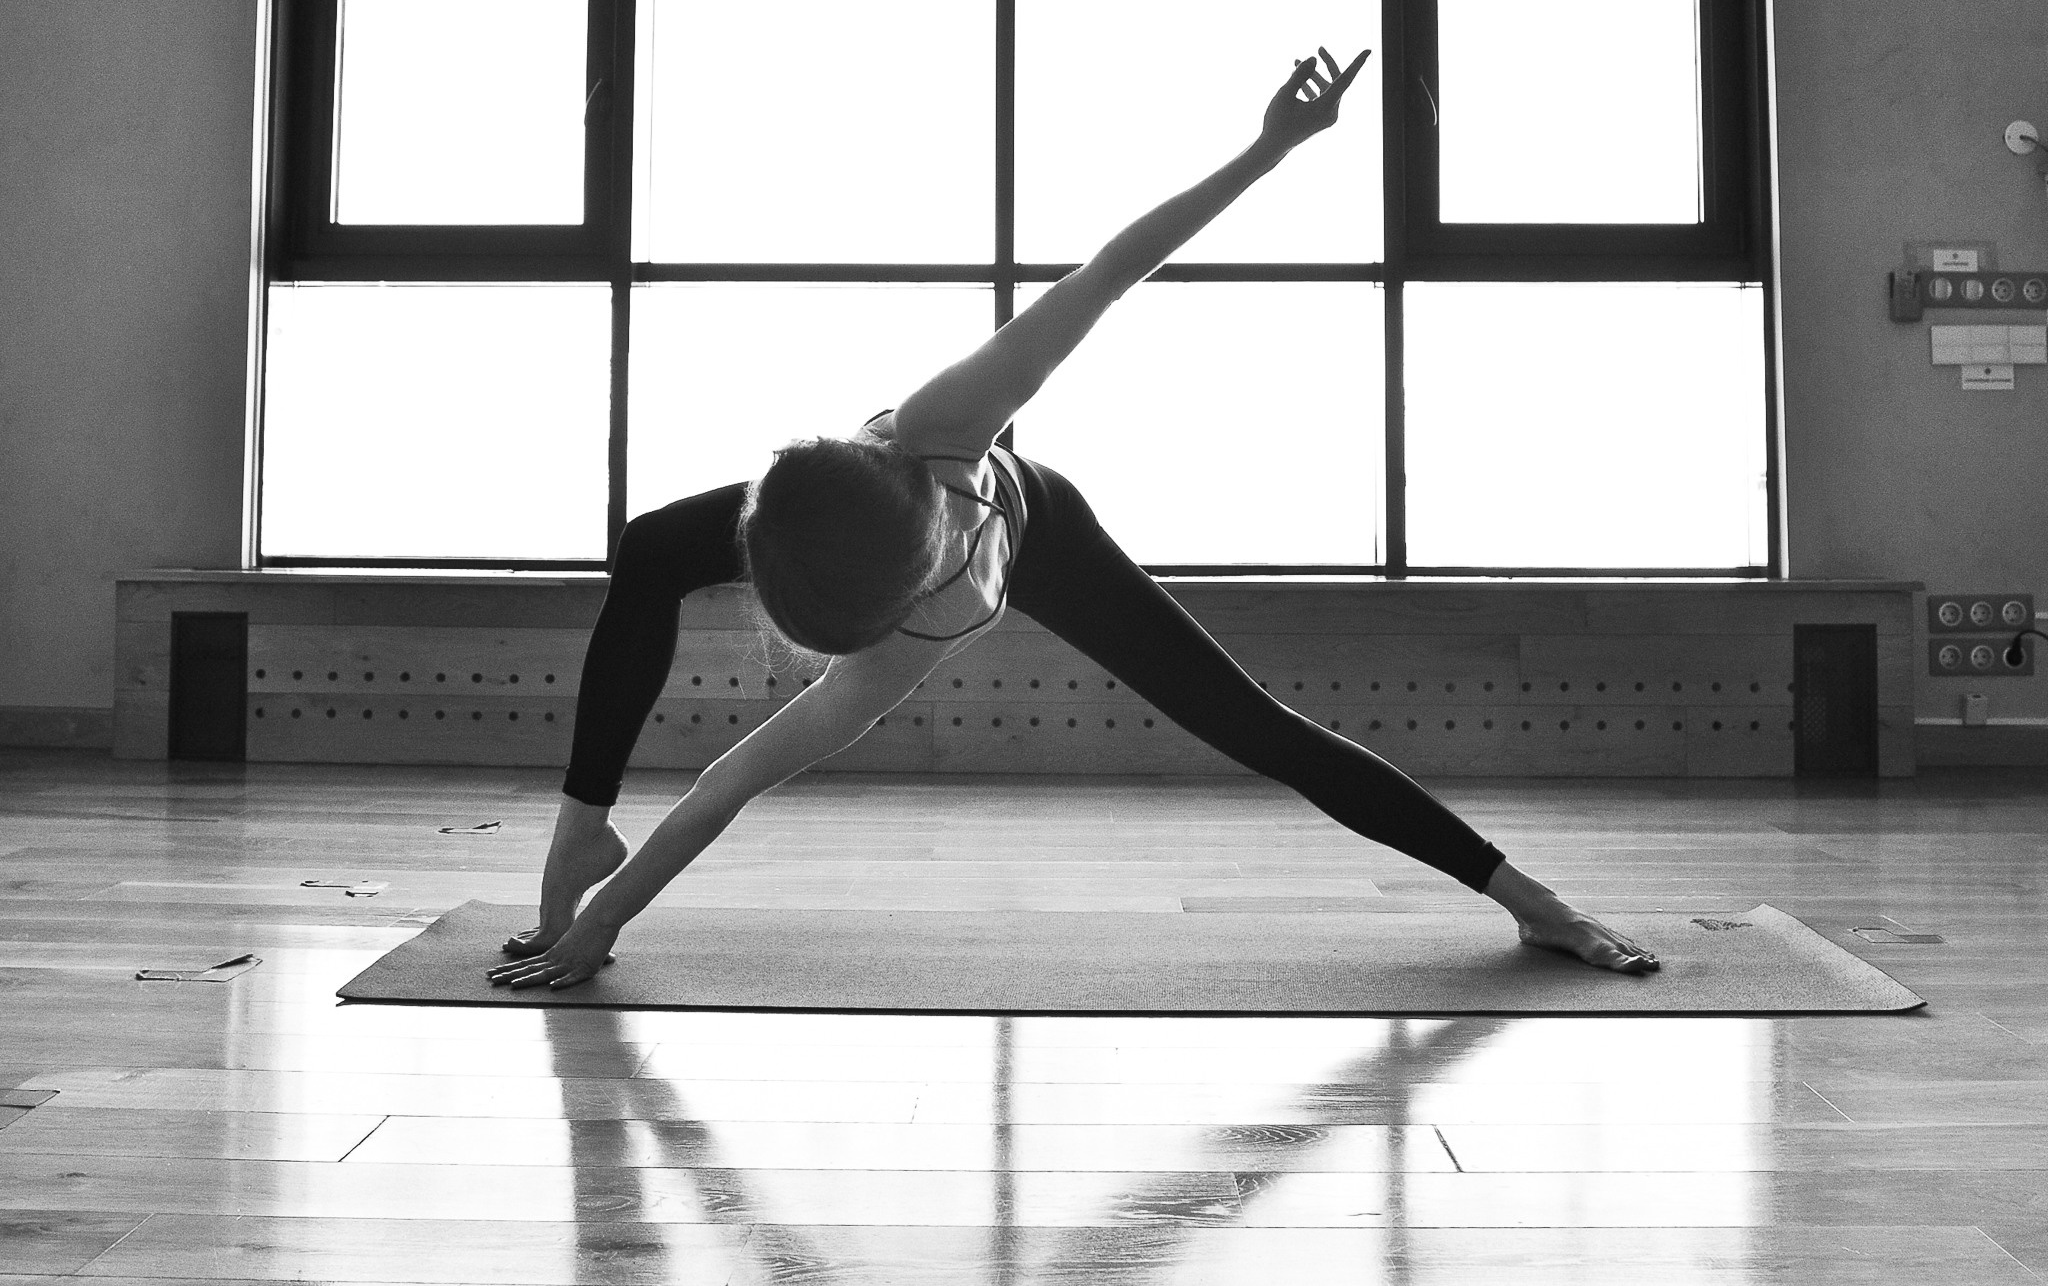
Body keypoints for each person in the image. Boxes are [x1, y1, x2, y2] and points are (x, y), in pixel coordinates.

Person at [486, 48, 1661, 991]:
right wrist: (605, 922)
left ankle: (1529, 902)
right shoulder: (891, 634)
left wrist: (1269, 147)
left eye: (930, 552)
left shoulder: (952, 416)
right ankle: (576, 835)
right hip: (824, 523)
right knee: (649, 550)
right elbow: (726, 783)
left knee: (1249, 723)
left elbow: (1111, 268)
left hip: (1044, 521)